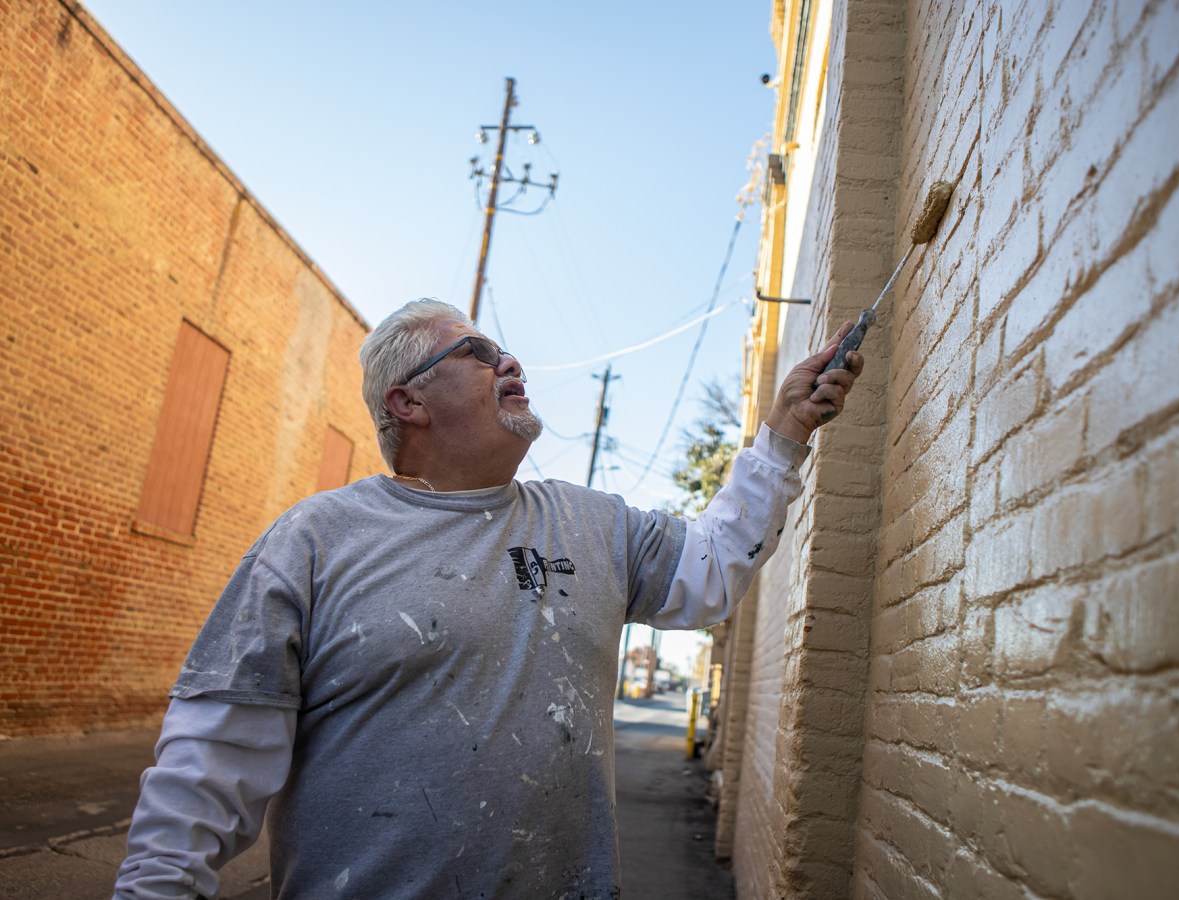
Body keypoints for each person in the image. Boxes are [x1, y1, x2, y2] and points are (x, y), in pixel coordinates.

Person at [114, 298, 864, 899]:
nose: (509, 360)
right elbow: (212, 762)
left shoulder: (594, 525)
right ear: (407, 401)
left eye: (501, 349)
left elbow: (709, 569)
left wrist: (786, 431)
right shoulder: (315, 540)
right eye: (476, 352)